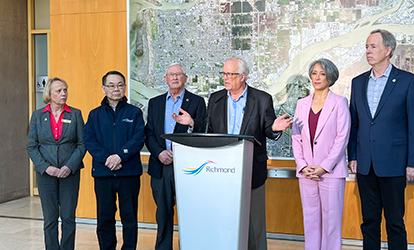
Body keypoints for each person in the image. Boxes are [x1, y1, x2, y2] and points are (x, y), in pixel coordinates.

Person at [174, 57, 292, 250]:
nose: (225, 78)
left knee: (254, 225)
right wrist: (192, 123)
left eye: (230, 74)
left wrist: (276, 128)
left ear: (243, 77)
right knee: (223, 222)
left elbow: (268, 131)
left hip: (251, 171)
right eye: (224, 73)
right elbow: (209, 131)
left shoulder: (262, 99)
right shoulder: (215, 98)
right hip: (221, 171)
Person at [348, 29, 414, 250]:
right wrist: (353, 155)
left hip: (394, 164)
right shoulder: (358, 82)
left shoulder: (408, 81)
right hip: (365, 165)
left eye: (373, 47)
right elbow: (354, 124)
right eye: (366, 47)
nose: (368, 51)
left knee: (394, 223)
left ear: (388, 50)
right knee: (369, 222)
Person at [145, 63, 206, 250]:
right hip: (161, 166)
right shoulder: (154, 103)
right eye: (171, 74)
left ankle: (190, 246)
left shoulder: (197, 102)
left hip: (188, 167)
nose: (175, 78)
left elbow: (204, 130)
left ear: (185, 78)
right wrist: (159, 153)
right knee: (163, 213)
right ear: (165, 79)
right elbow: (149, 133)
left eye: (178, 74)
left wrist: (191, 123)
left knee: (189, 213)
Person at [291, 58, 350, 250]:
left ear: (330, 77)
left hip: (330, 173)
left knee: (331, 222)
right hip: (307, 172)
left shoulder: (340, 103)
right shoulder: (302, 104)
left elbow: (342, 138)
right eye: (314, 73)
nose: (317, 77)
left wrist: (323, 167)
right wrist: (302, 165)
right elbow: (296, 137)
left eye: (322, 73)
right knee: (310, 220)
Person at [83, 71, 145, 250]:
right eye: (111, 85)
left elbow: (138, 138)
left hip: (129, 173)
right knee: (105, 217)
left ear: (125, 87)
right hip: (103, 173)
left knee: (130, 217)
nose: (116, 89)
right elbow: (89, 140)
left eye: (119, 84)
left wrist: (121, 156)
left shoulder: (135, 112)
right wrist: (107, 158)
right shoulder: (95, 115)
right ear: (104, 89)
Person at [27, 77, 86, 250]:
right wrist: (46, 167)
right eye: (59, 90)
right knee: (50, 218)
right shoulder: (38, 116)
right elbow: (31, 146)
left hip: (70, 174)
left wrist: (69, 166)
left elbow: (82, 144)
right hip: (46, 175)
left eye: (65, 90)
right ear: (49, 94)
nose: (63, 93)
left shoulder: (75, 114)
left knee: (68, 217)